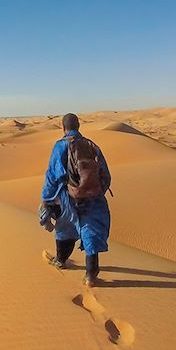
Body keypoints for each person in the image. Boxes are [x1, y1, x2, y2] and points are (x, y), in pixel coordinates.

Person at [39, 113, 112, 287]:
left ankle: (61, 260)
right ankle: (91, 275)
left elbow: (52, 175)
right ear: (78, 126)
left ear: (63, 128)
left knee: (65, 228)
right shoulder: (92, 145)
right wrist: (96, 191)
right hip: (93, 198)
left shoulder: (60, 146)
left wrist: (46, 199)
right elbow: (106, 175)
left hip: (68, 197)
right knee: (90, 230)